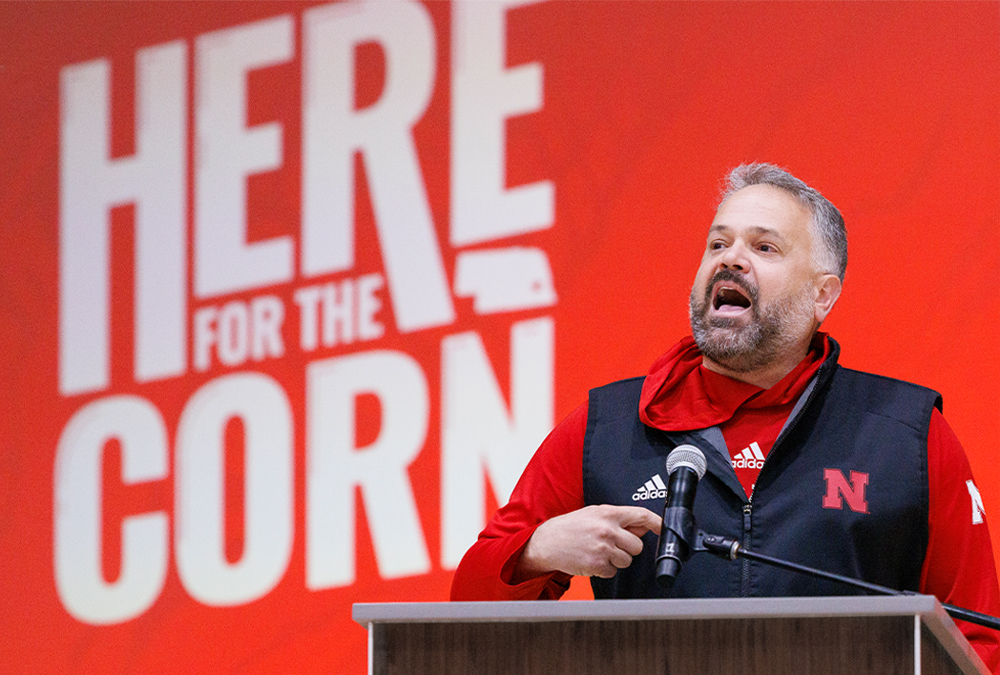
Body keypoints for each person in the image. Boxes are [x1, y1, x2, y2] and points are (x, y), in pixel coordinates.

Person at [450, 163, 1000, 671]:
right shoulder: (605, 428)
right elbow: (464, 610)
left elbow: (979, 639)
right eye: (718, 243)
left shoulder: (906, 432)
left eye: (764, 246)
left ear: (822, 296)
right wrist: (536, 551)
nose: (730, 259)